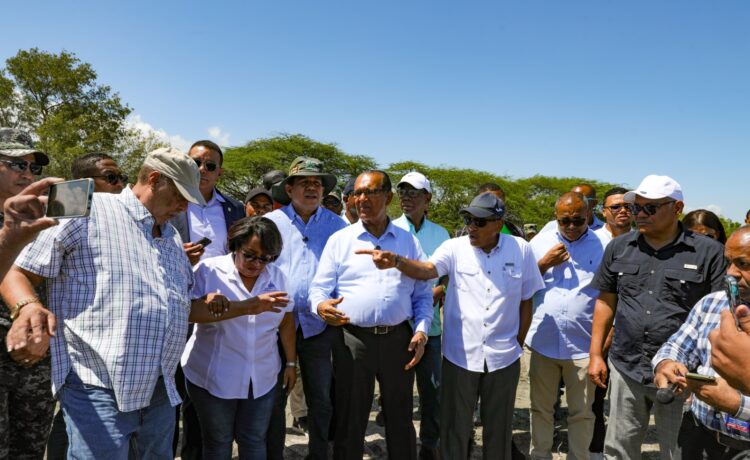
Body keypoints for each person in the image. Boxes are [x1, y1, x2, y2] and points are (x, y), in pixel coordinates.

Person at [1, 147, 205, 459]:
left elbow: (175, 303)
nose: (184, 207)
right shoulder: (78, 201)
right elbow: (17, 270)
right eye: (180, 196)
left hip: (160, 389)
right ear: (154, 179)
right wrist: (27, 307)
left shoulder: (172, 237)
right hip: (96, 385)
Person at [358, 192, 544, 458]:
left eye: (479, 222)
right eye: (468, 220)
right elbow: (427, 270)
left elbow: (527, 300)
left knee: (499, 430)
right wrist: (398, 261)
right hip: (460, 357)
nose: (471, 227)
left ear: (498, 223)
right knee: (454, 428)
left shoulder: (521, 249)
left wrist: (517, 342)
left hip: (504, 358)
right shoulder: (454, 248)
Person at [587, 174, 727, 459]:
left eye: (649, 208)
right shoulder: (619, 247)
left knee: (678, 452)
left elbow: (719, 316)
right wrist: (595, 354)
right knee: (618, 450)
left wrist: (707, 372)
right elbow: (606, 301)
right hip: (627, 366)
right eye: (636, 207)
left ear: (677, 208)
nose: (639, 214)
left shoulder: (709, 253)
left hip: (682, 375)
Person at [309, 170, 433, 460]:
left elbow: (423, 295)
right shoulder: (340, 240)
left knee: (400, 419)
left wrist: (421, 331)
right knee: (350, 419)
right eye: (357, 193)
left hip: (399, 340)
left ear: (388, 197)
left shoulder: (407, 242)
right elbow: (319, 288)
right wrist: (321, 306)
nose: (361, 199)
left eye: (370, 192)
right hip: (352, 341)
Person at [181, 216, 296, 459]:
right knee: (218, 442)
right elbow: (187, 313)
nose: (257, 264)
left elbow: (286, 321)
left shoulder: (278, 277)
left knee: (254, 440)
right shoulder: (208, 271)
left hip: (262, 378)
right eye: (250, 255)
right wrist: (209, 301)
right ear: (235, 246)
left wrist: (290, 363)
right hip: (213, 377)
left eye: (265, 258)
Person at [46, 152, 130, 459]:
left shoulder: (124, 217)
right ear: (84, 182)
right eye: (111, 178)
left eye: (122, 178)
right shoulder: (68, 206)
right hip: (60, 339)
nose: (120, 185)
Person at [264, 156, 346, 459]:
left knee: (321, 398)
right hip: (274, 327)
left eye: (317, 184)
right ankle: (273, 453)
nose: (312, 188)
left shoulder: (338, 227)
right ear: (289, 188)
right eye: (304, 183)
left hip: (319, 328)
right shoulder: (271, 224)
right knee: (274, 397)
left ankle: (319, 453)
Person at [171, 140, 246, 458]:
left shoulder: (234, 209)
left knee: (202, 390)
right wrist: (177, 254)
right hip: (178, 305)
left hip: (218, 308)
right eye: (195, 163)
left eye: (210, 165)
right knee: (172, 387)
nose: (202, 169)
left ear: (220, 172)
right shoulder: (172, 200)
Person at [653, 226, 750, 458]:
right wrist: (666, 364)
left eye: (744, 264)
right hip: (699, 435)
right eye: (729, 262)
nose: (731, 273)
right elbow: (676, 345)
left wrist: (737, 405)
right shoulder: (711, 303)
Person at [526, 192, 605, 460]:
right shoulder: (539, 243)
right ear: (555, 216)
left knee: (582, 412)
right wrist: (544, 264)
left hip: (583, 345)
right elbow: (521, 285)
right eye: (564, 221)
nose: (571, 226)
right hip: (544, 342)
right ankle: (540, 455)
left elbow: (611, 295)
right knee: (540, 408)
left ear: (588, 215)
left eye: (578, 220)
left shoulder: (603, 245)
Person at [0, 128, 55, 460]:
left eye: (34, 167)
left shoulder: (42, 219)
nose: (27, 174)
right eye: (17, 164)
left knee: (31, 449)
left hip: (36, 353)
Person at [393, 171, 450, 459]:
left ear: (427, 198)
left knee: (432, 393)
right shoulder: (390, 229)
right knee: (399, 395)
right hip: (398, 328)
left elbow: (447, 275)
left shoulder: (441, 234)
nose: (407, 198)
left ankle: (430, 446)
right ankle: (402, 447)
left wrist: (438, 290)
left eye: (413, 192)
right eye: (403, 192)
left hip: (432, 329)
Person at [540, 184, 605, 234]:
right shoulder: (552, 226)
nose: (574, 203)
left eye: (581, 199)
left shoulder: (604, 230)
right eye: (571, 197)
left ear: (594, 203)